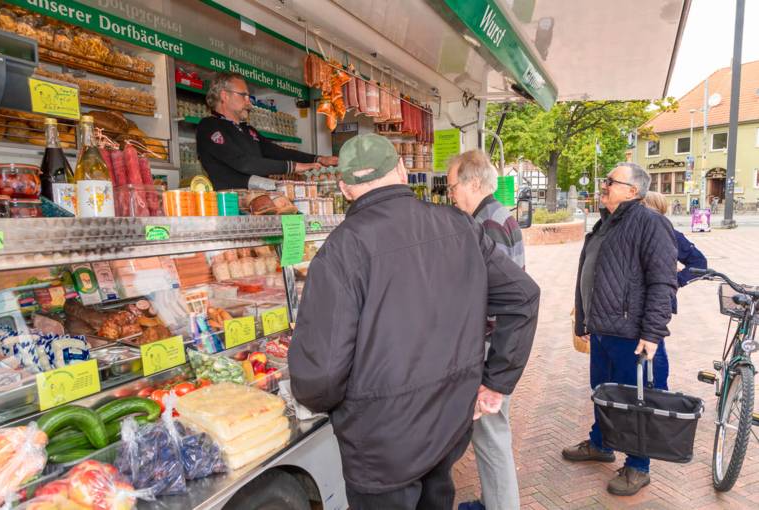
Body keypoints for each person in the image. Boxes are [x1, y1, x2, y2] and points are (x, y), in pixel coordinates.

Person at [289, 134, 540, 510]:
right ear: (402, 172)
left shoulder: (340, 251)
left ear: (345, 187)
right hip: (446, 425)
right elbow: (524, 296)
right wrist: (495, 381)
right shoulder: (461, 226)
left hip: (379, 445)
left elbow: (320, 376)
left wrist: (321, 403)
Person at [562, 163, 677, 497]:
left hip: (633, 335)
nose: (604, 185)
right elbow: (591, 272)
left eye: (611, 181)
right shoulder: (605, 224)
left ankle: (639, 466)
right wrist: (584, 319)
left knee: (636, 401)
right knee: (602, 391)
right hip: (602, 330)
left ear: (633, 191)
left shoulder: (650, 224)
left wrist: (653, 333)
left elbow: (662, 282)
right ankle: (601, 443)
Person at [447, 150, 525, 510]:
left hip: (491, 346)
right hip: (497, 343)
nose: (451, 195)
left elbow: (498, 295)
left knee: (490, 434)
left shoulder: (486, 223)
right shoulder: (497, 215)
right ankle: (492, 499)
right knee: (491, 433)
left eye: (452, 187)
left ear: (473, 182)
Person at [196, 72, 337, 190]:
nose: (248, 102)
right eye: (243, 95)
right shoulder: (209, 126)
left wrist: (318, 159)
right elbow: (243, 163)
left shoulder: (247, 129)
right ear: (224, 96)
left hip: (258, 198)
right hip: (229, 204)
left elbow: (277, 152)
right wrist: (293, 167)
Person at [643, 191, 707, 313]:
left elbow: (699, 262)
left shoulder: (671, 234)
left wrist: (676, 280)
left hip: (658, 301)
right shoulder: (636, 230)